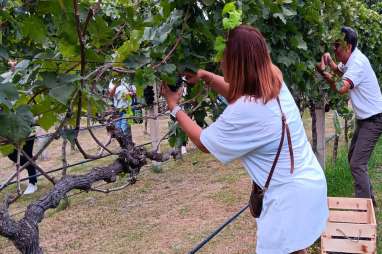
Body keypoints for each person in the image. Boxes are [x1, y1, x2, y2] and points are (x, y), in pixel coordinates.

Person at [162, 25, 328, 254]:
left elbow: (203, 142)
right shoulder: (275, 78)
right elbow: (238, 91)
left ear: (234, 63)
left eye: (224, 58)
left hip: (287, 201)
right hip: (310, 184)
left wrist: (174, 107)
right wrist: (207, 77)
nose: (221, 63)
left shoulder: (246, 110)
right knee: (297, 248)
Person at [317, 26, 382, 206]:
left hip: (374, 119)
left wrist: (322, 72)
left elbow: (341, 87)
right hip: (365, 118)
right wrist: (330, 64)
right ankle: (370, 202)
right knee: (353, 156)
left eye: (337, 46)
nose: (334, 49)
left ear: (348, 47)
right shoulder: (351, 59)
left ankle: (363, 209)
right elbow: (341, 72)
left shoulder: (358, 63)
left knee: (357, 164)